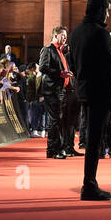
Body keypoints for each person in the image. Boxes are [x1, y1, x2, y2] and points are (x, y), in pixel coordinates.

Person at [68, 0, 111, 201]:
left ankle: (90, 182)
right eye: (106, 9)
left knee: (91, 138)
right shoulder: (100, 34)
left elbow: (72, 63)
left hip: (84, 90)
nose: (107, 14)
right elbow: (108, 68)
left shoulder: (76, 32)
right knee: (95, 140)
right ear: (100, 10)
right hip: (100, 92)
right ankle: (89, 184)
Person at [38, 26, 76, 158]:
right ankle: (53, 150)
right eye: (63, 35)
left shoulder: (60, 51)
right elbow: (43, 67)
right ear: (55, 36)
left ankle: (55, 149)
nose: (65, 38)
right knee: (55, 120)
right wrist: (60, 73)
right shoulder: (48, 50)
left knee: (58, 120)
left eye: (66, 36)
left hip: (61, 90)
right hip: (51, 90)